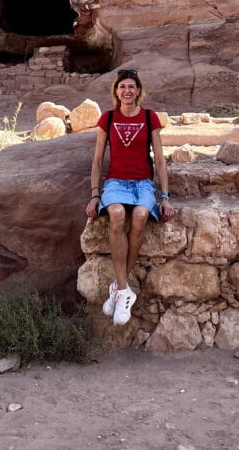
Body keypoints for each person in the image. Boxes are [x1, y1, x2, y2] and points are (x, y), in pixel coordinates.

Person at [86, 68, 174, 326]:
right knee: (116, 213)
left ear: (138, 91)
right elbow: (97, 161)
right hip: (115, 182)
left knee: (141, 215)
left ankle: (118, 287)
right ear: (116, 91)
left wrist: (165, 196)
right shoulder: (108, 118)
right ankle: (125, 290)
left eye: (131, 87)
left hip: (143, 183)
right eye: (122, 87)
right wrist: (94, 195)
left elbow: (159, 159)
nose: (127, 91)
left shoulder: (149, 118)